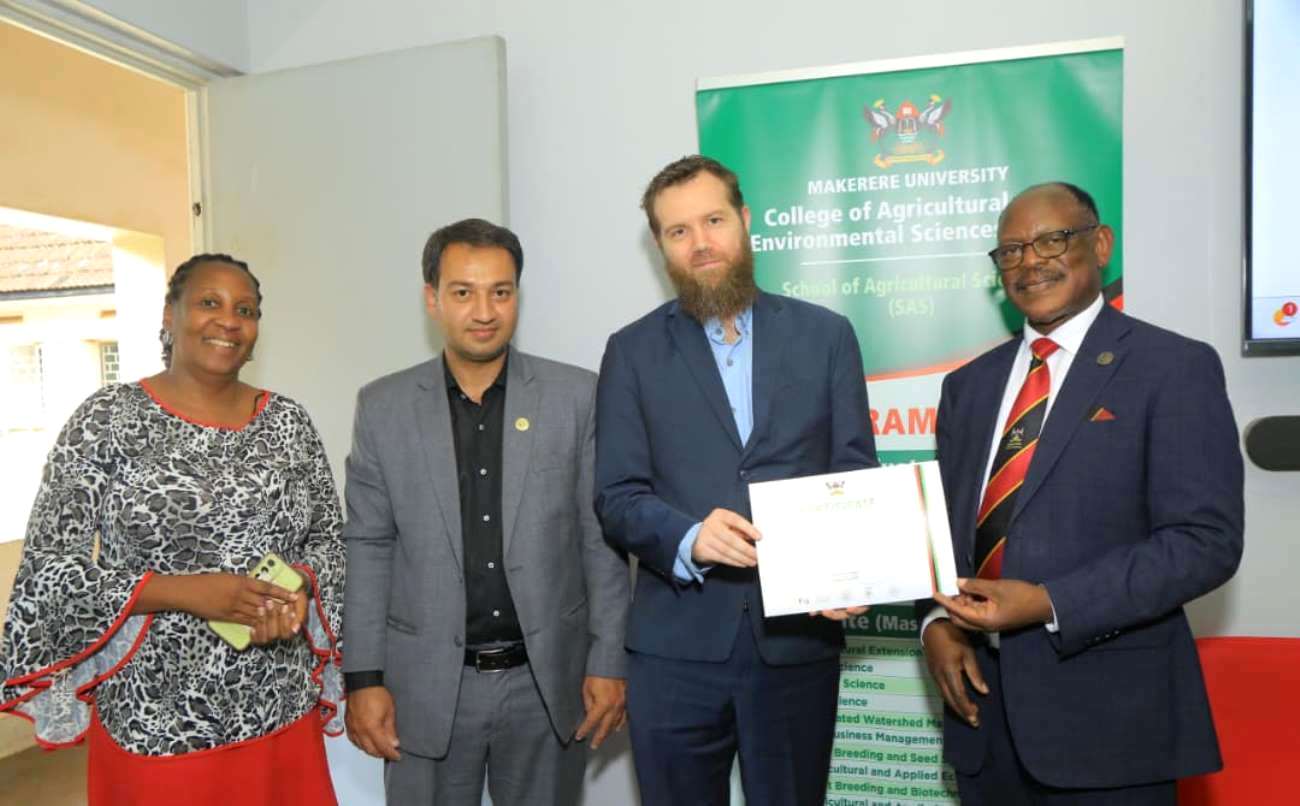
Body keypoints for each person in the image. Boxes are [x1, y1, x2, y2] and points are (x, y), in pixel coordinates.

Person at [918, 182, 1243, 805]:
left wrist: (1047, 601)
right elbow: (942, 537)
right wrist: (937, 623)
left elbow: (1205, 543)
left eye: (1052, 240)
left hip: (1111, 730)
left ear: (1099, 245)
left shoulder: (1172, 367)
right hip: (984, 725)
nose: (1030, 261)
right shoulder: (968, 387)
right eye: (1010, 251)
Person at [0, 254, 345, 805]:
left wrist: (299, 586)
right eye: (209, 302)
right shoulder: (106, 420)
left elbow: (331, 539)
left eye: (246, 309)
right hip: (155, 722)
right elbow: (50, 572)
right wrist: (187, 593)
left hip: (278, 706)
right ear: (169, 314)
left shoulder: (289, 423)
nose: (229, 320)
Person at [594, 155, 877, 806]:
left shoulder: (825, 337)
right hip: (675, 652)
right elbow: (615, 496)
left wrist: (849, 567)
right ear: (660, 246)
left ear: (745, 222)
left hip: (797, 643)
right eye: (678, 231)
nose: (701, 243)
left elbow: (854, 472)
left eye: (714, 220)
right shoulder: (631, 351)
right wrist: (689, 537)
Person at [341, 218, 628, 806]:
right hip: (427, 685)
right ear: (432, 299)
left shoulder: (575, 396)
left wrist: (609, 658)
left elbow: (599, 541)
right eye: (463, 292)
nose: (484, 311)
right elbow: (368, 546)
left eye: (501, 291)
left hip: (546, 683)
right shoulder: (383, 407)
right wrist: (364, 677)